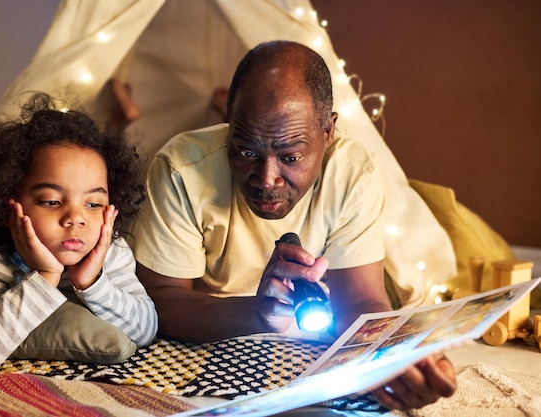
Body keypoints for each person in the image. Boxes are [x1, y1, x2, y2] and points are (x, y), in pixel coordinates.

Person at [130, 40, 456, 410]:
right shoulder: (181, 168)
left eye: (290, 156)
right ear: (229, 121)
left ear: (329, 131)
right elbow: (161, 302)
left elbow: (362, 301)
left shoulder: (352, 172)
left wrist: (395, 356)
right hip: (205, 345)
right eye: (247, 151)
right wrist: (259, 312)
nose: (267, 178)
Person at [0, 93, 158, 375]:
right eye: (51, 201)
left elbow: (146, 331)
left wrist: (93, 283)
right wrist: (45, 276)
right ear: (8, 202)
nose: (75, 218)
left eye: (93, 204)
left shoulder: (111, 252)